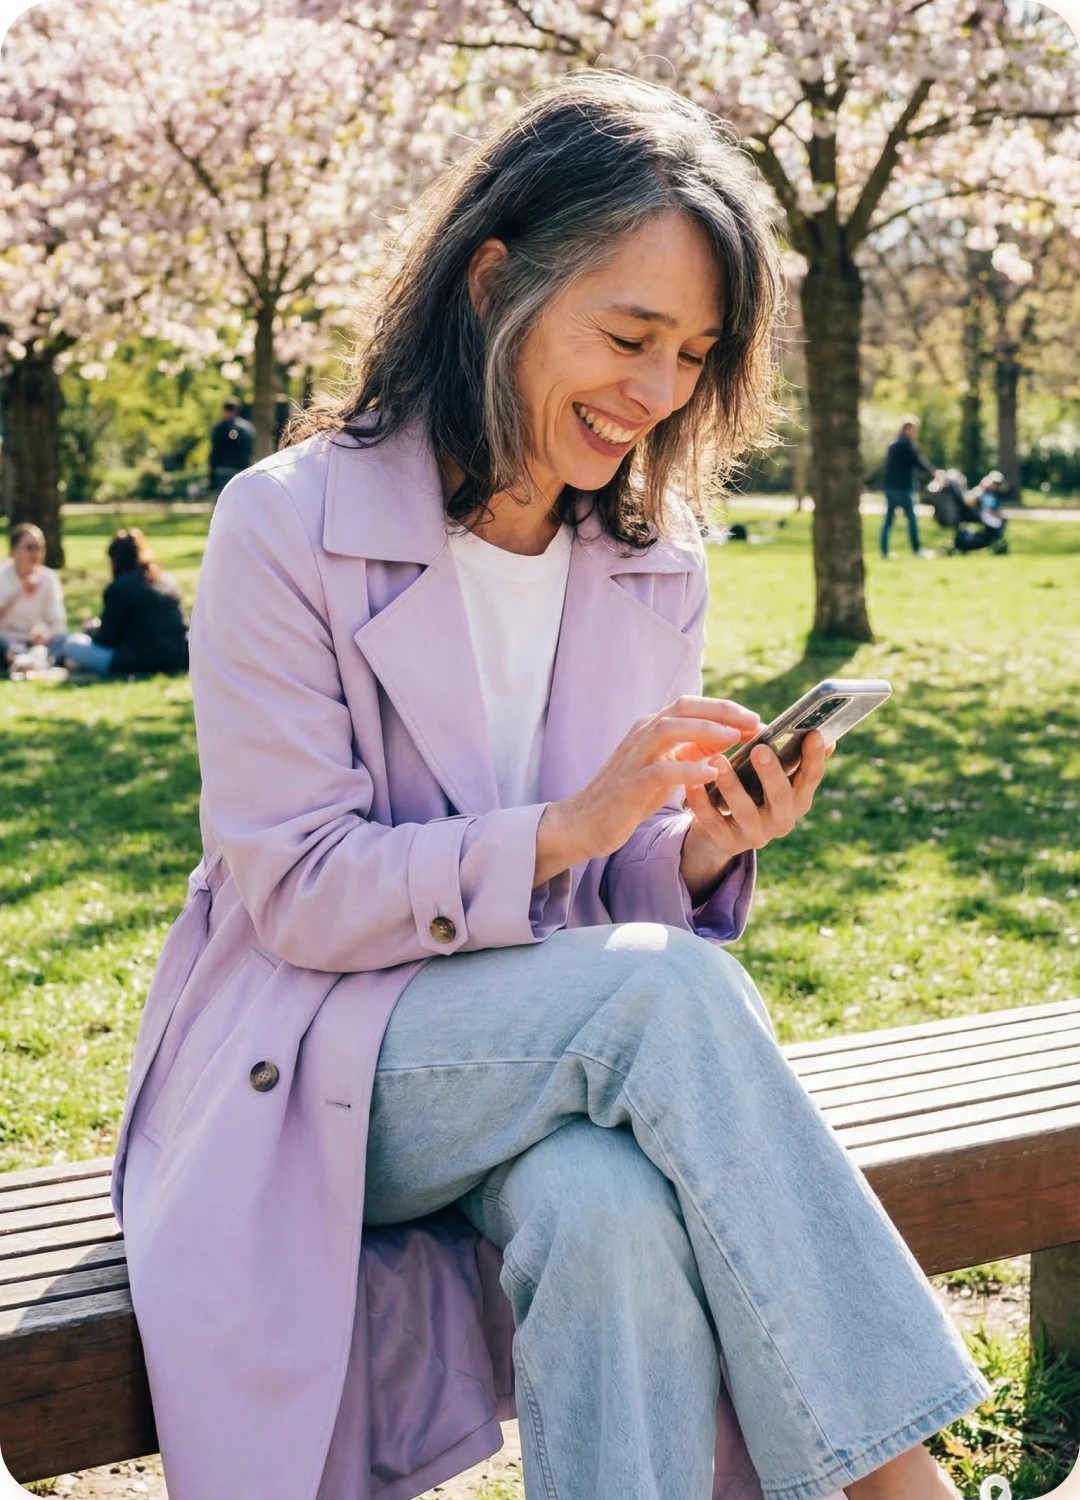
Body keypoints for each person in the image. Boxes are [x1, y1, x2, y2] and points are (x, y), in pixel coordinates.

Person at [110, 73, 987, 1500]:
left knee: (610, 1205)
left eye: (696, 353)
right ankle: (904, 1484)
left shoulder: (654, 560)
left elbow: (602, 900)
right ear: (494, 281)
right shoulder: (284, 523)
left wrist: (693, 855)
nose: (659, 392)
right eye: (629, 334)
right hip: (312, 1059)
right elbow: (300, 891)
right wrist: (569, 828)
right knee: (666, 994)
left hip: (547, 1051)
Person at [55, 529, 188, 677]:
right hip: (178, 657)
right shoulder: (166, 582)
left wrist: (92, 630)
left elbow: (106, 638)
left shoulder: (120, 588)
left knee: (72, 644)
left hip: (135, 661)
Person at [0, 522, 68, 670]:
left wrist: (46, 636)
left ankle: (26, 663)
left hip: (30, 642)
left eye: (39, 548)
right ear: (14, 551)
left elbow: (57, 622)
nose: (35, 554)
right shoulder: (2, 574)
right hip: (4, 639)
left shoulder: (48, 579)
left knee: (68, 642)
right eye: (29, 548)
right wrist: (19, 592)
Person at [881, 416, 935, 559]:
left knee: (888, 520)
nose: (916, 432)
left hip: (890, 486)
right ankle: (916, 549)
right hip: (902, 487)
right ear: (907, 429)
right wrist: (933, 473)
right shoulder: (905, 445)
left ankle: (884, 551)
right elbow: (917, 461)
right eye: (914, 429)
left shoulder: (893, 444)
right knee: (911, 518)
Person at [947, 470, 1010, 556]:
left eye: (997, 484)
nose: (994, 485)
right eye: (993, 482)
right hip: (982, 516)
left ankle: (996, 542)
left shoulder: (995, 495)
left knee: (995, 531)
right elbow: (968, 501)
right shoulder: (979, 491)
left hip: (991, 518)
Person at [208, 398, 255, 495]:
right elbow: (249, 450)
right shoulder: (247, 428)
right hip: (241, 470)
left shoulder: (219, 428)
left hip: (223, 470)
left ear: (224, 410)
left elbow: (215, 451)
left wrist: (212, 472)